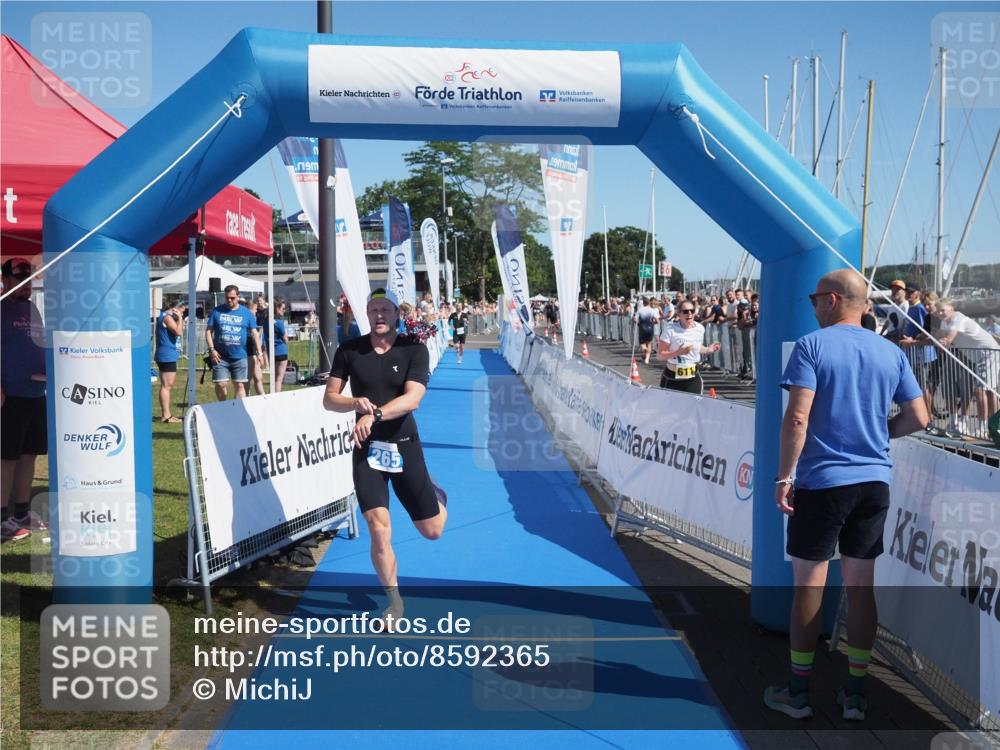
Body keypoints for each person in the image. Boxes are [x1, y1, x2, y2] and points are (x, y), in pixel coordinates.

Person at [764, 270, 928, 722]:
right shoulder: (889, 351)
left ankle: (798, 693)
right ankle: (855, 694)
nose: (813, 306)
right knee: (861, 589)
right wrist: (879, 435)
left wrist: (783, 477)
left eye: (815, 298)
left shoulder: (812, 346)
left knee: (808, 587)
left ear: (833, 301)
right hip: (874, 482)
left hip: (823, 483)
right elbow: (919, 417)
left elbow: (797, 420)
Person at [323, 288, 447, 624]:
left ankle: (435, 493)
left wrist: (374, 414)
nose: (379, 314)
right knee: (378, 529)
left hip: (404, 444)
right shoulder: (350, 350)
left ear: (397, 314)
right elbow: (329, 399)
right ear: (367, 314)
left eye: (385, 309)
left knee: (433, 530)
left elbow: (413, 400)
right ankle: (394, 603)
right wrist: (354, 403)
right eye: (373, 309)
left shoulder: (413, 349)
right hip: (366, 450)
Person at [1, 258, 49, 542]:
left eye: (28, 279)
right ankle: (2, 518)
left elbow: (38, 341)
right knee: (6, 458)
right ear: (5, 279)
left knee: (29, 455)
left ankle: (20, 512)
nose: (25, 285)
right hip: (10, 396)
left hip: (35, 392)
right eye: (19, 279)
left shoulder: (31, 308)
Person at [933, 299, 1000, 434]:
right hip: (978, 357)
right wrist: (938, 339)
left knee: (981, 391)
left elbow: (949, 338)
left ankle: (983, 428)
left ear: (951, 308)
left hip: (987, 353)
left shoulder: (958, 318)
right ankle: (993, 427)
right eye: (938, 311)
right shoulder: (944, 321)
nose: (941, 313)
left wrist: (943, 341)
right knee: (988, 391)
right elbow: (940, 336)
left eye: (943, 310)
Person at [206, 284, 260, 401]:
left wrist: (259, 352)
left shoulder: (246, 313)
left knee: (240, 385)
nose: (229, 300)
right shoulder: (217, 311)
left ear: (238, 297)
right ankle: (223, 406)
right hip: (220, 356)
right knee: (220, 384)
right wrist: (212, 350)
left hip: (240, 356)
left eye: (232, 298)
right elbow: (208, 332)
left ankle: (237, 410)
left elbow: (255, 333)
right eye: (227, 298)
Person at [656, 300, 721, 393]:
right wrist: (679, 352)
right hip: (672, 377)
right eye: (685, 311)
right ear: (679, 313)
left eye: (692, 311)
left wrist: (708, 349)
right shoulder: (670, 329)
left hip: (693, 376)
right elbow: (660, 355)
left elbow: (697, 348)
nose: (689, 314)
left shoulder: (699, 328)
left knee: (694, 407)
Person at [154, 298, 185, 423]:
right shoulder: (167, 317)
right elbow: (178, 332)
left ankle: (166, 415)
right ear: (175, 309)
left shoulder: (164, 316)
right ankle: (166, 416)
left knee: (167, 386)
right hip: (166, 355)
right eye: (182, 311)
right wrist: (181, 319)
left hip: (165, 354)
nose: (182, 314)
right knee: (167, 386)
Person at [264, 297, 290, 392]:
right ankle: (276, 398)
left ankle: (271, 395)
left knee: (273, 378)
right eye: (283, 309)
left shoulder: (266, 321)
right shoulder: (279, 323)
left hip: (271, 352)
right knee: (278, 379)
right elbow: (285, 339)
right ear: (277, 309)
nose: (284, 311)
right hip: (281, 352)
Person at [245, 299, 267, 396]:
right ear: (250, 309)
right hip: (249, 350)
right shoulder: (249, 317)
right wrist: (260, 353)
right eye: (255, 308)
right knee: (248, 378)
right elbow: (254, 335)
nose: (256, 311)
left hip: (253, 350)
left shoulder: (251, 317)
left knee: (258, 377)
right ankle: (244, 399)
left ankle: (263, 397)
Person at [635, 298, 660, 365]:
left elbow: (635, 319)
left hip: (642, 329)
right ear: (649, 303)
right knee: (649, 343)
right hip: (650, 329)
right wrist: (652, 323)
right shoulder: (652, 310)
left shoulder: (640, 310)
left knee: (643, 343)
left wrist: (638, 323)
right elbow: (657, 321)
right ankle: (647, 359)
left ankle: (644, 349)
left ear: (643, 303)